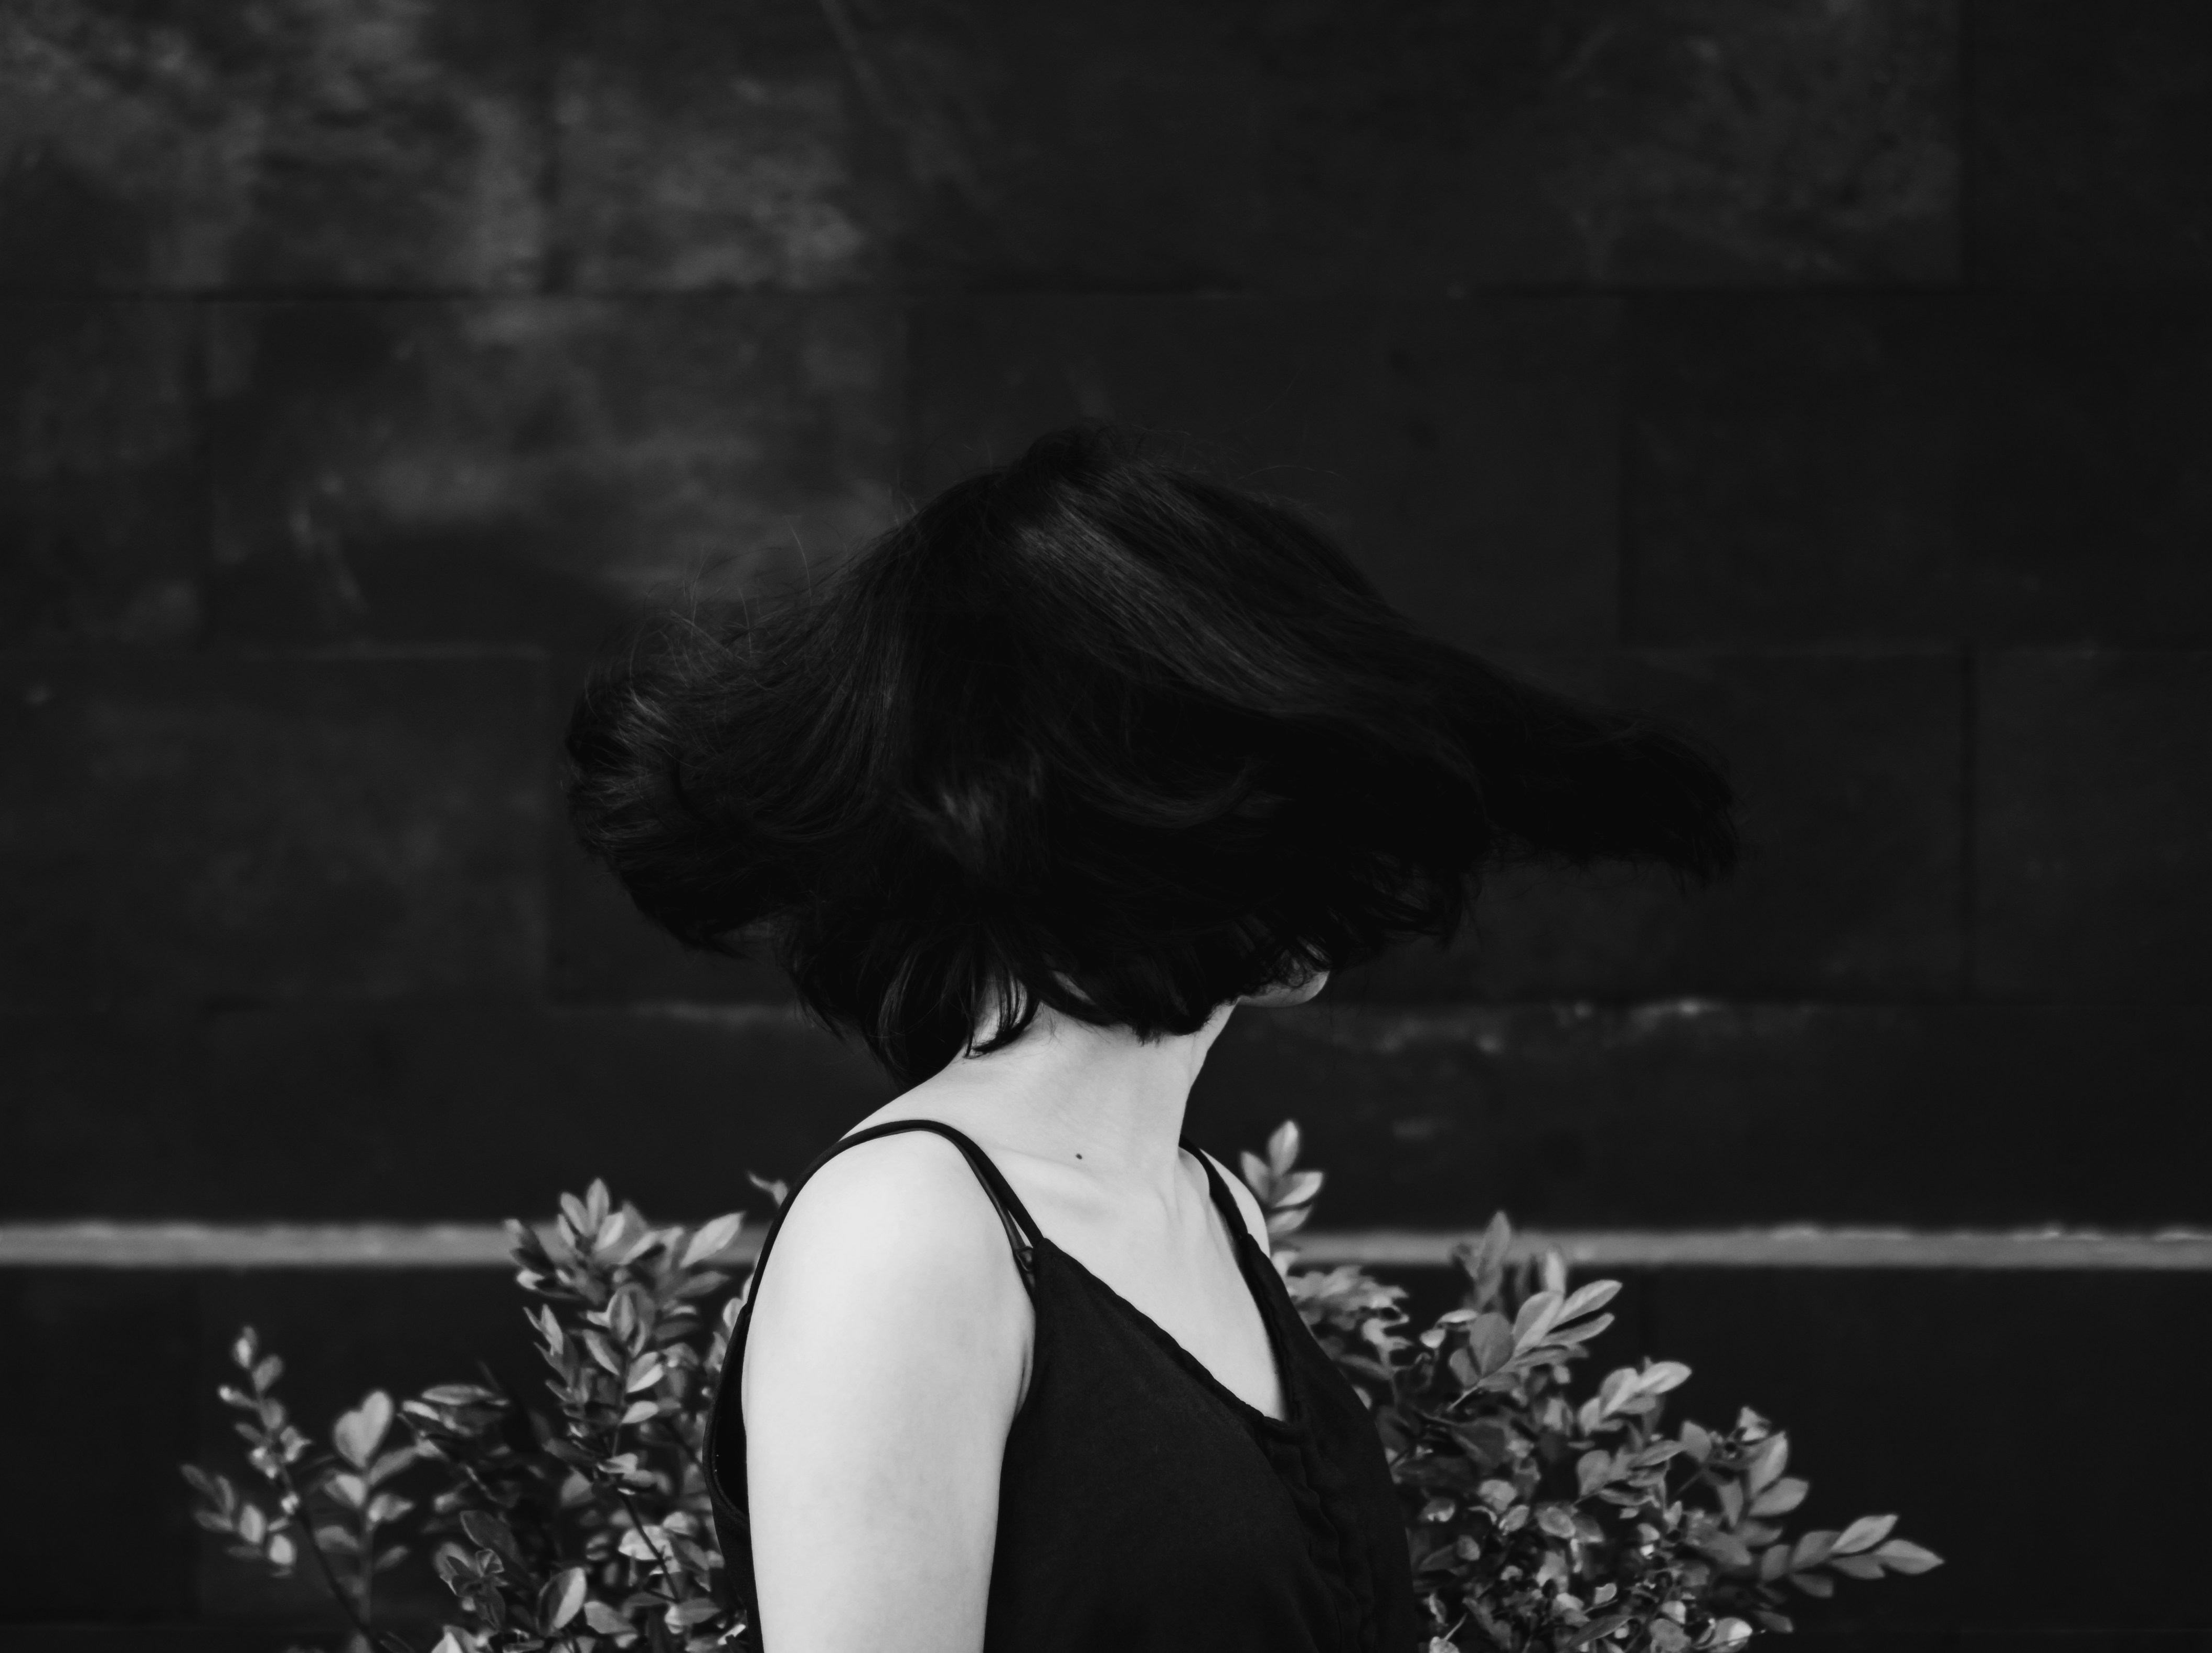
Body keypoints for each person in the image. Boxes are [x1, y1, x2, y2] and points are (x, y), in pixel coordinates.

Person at [565, 425, 1737, 1652]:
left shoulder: (1205, 1204)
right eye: (1284, 784)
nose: (1343, 841)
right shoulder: (907, 1235)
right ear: (1138, 823)